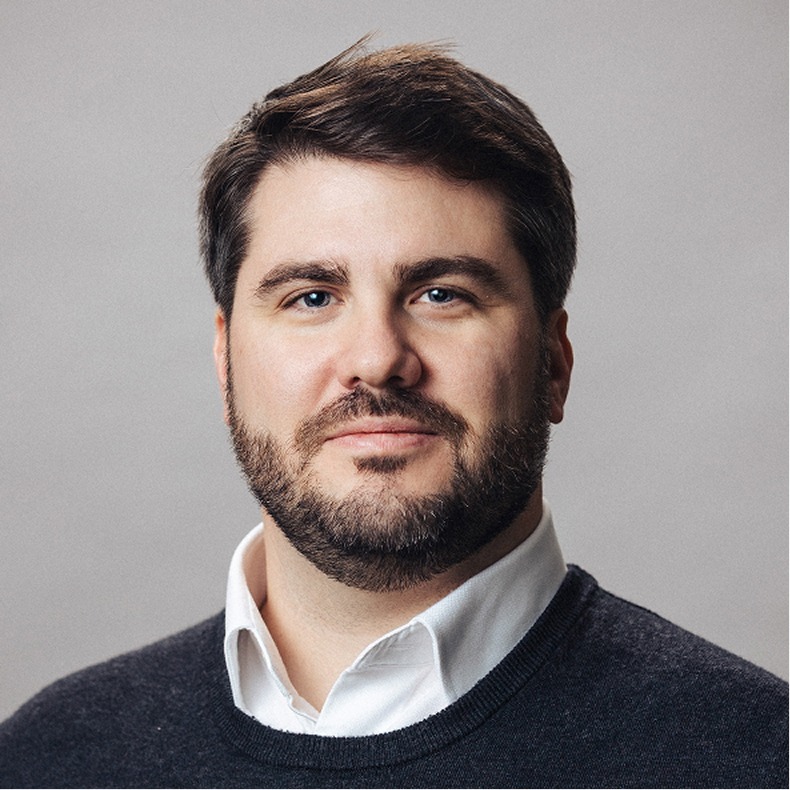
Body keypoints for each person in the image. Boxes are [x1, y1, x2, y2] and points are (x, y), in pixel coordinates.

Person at [0, 40, 786, 789]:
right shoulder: (50, 761)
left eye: (442, 294)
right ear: (225, 358)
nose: (377, 359)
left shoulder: (755, 757)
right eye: (312, 297)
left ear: (553, 361)